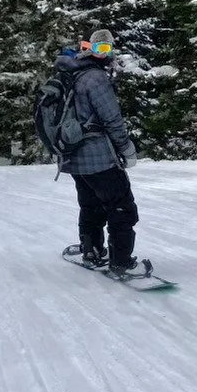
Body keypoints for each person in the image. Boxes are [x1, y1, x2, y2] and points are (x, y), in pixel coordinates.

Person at [53, 29, 140, 275]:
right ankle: (121, 261)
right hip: (98, 156)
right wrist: (126, 148)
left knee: (91, 204)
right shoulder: (95, 78)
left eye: (107, 49)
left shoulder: (72, 73)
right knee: (122, 206)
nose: (104, 54)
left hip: (72, 155)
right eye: (100, 48)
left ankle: (91, 250)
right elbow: (112, 119)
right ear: (89, 48)